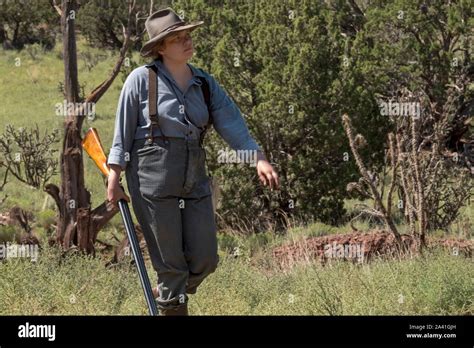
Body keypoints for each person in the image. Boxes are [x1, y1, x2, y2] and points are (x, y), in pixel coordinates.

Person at [106, 8, 279, 315]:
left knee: (206, 259)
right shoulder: (140, 80)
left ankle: (169, 293)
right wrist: (113, 178)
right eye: (177, 38)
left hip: (195, 176)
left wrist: (258, 159)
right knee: (171, 266)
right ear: (160, 48)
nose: (187, 41)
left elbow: (232, 123)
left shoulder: (205, 83)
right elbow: (122, 133)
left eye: (187, 35)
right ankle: (172, 295)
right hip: (151, 181)